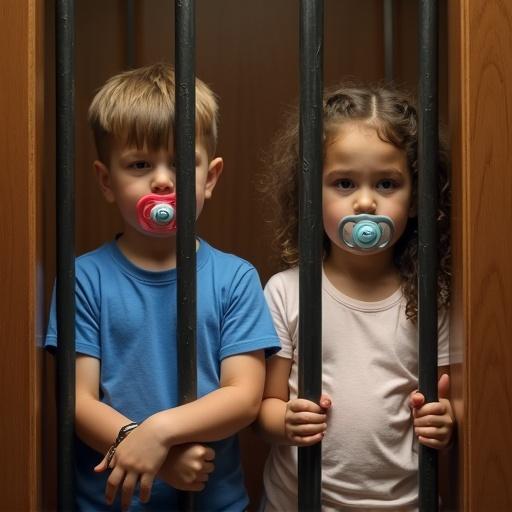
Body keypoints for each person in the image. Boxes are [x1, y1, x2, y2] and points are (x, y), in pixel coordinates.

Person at [45, 62, 280, 511]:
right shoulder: (84, 279)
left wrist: (159, 433)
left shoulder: (235, 277)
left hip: (213, 503)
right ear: (105, 181)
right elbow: (77, 401)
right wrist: (145, 449)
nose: (162, 180)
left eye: (179, 163)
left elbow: (245, 396)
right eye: (139, 164)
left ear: (209, 178)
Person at [256, 84, 455, 511]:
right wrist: (285, 421)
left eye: (387, 183)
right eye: (344, 183)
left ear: (417, 197)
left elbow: (453, 405)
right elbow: (265, 408)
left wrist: (445, 421)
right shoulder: (286, 292)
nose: (365, 202)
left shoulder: (433, 297)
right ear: (312, 193)